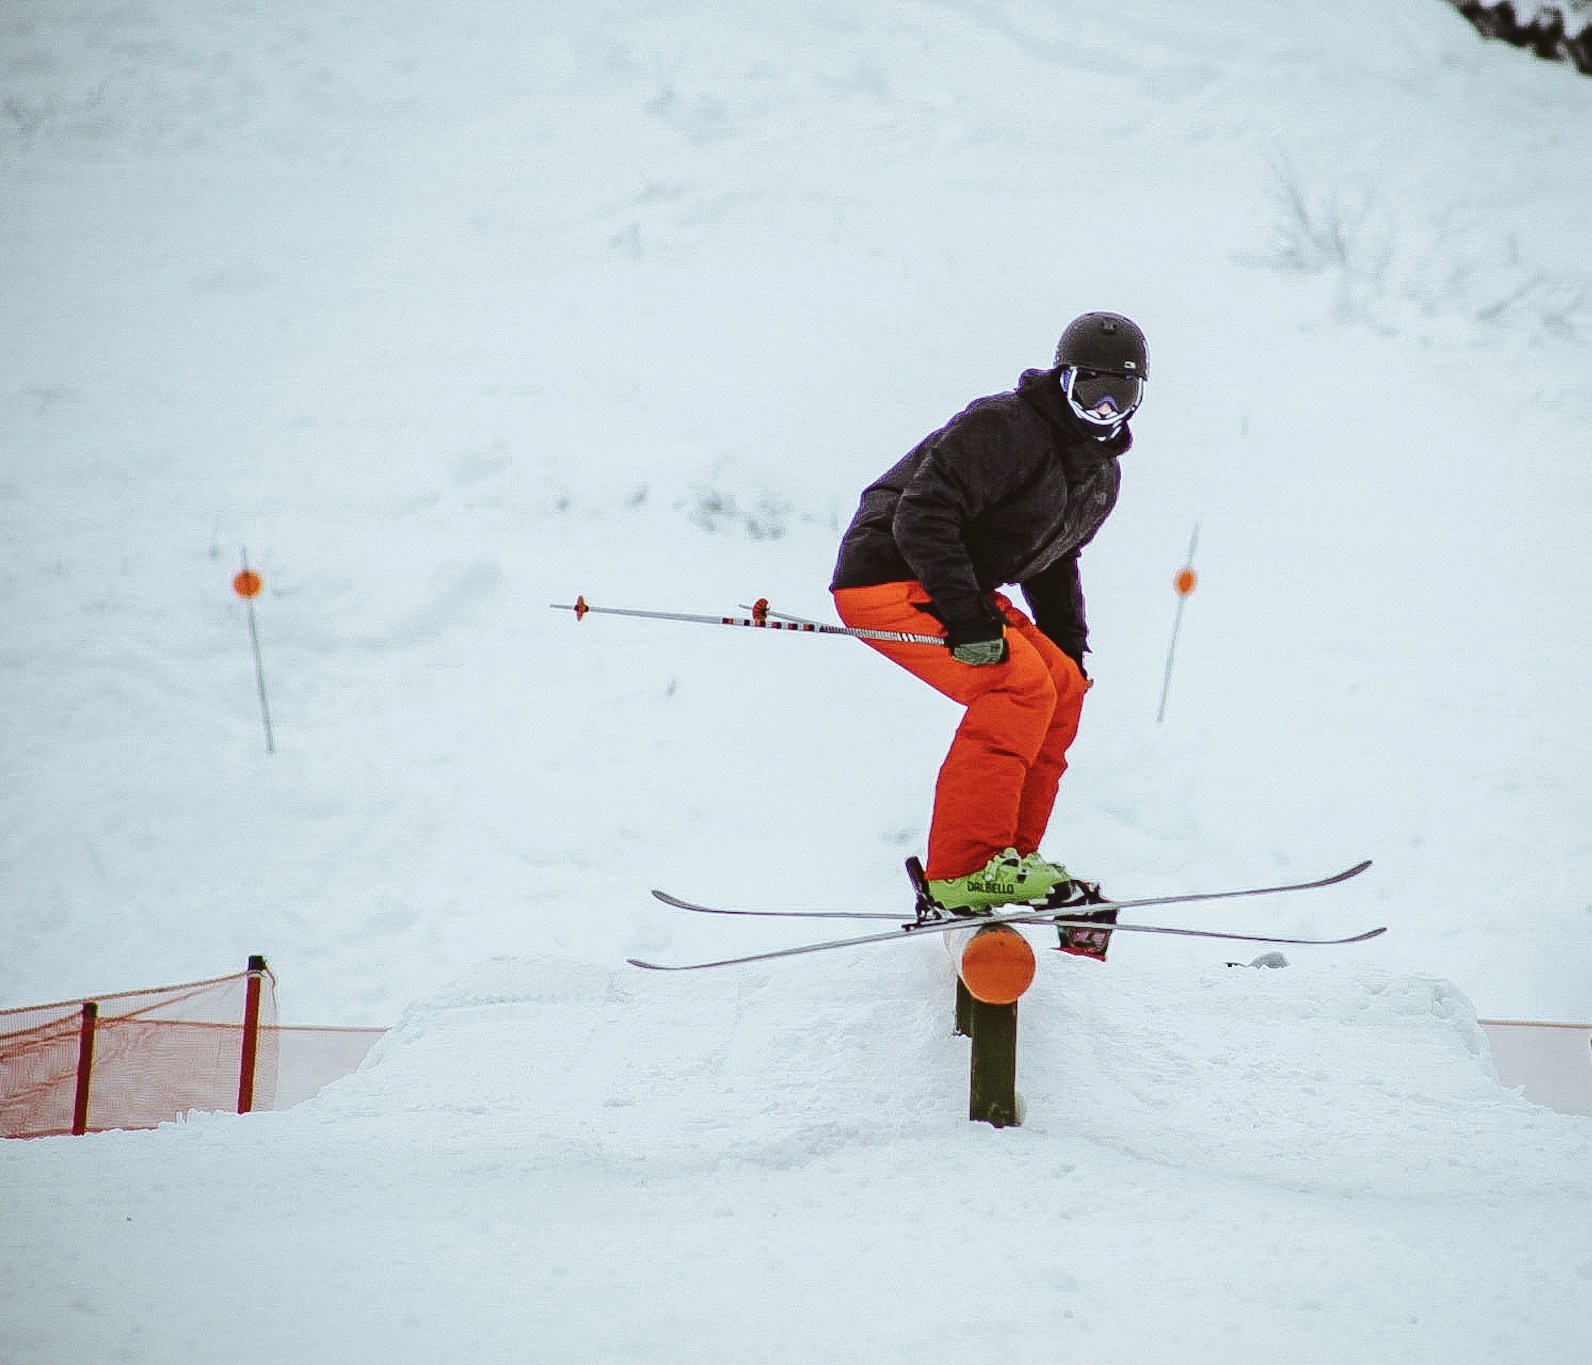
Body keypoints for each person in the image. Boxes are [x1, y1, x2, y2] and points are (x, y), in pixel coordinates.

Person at [830, 311, 1145, 940]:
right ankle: (963, 868)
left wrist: (1068, 650)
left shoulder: (1098, 473)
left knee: (1059, 690)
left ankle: (1011, 860)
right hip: (888, 573)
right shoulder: (1006, 426)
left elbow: (1055, 561)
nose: (1104, 407)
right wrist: (968, 619)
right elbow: (921, 514)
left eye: (1122, 393)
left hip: (953, 586)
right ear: (1063, 381)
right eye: (1089, 389)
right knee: (1016, 687)